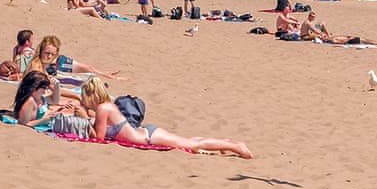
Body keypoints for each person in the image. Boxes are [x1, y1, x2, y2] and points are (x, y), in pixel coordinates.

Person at [80, 77, 252, 157]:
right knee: (189, 141)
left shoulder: (103, 108)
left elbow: (99, 138)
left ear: (91, 95)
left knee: (193, 145)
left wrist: (83, 117)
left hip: (149, 137)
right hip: (146, 134)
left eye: (83, 96)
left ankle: (238, 147)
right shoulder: (106, 107)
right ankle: (225, 143)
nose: (82, 100)